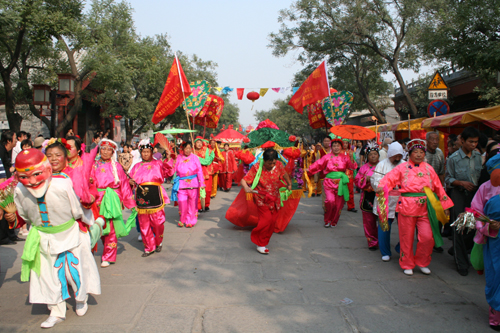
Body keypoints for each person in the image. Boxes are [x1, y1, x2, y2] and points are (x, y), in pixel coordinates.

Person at [11, 148, 100, 328]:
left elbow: (76, 210)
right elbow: (24, 214)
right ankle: (56, 310)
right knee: (47, 275)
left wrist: (89, 222)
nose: (32, 181)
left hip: (70, 234)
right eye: (25, 177)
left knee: (74, 270)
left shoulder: (62, 183)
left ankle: (81, 299)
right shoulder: (19, 190)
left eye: (37, 174)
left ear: (47, 169)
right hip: (43, 237)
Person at [377, 139, 453, 276]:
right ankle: (407, 263)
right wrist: (381, 187)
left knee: (427, 237)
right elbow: (388, 179)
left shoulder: (429, 169)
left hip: (426, 206)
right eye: (416, 152)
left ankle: (422, 261)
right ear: (410, 154)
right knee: (406, 237)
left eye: (421, 152)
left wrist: (445, 204)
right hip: (407, 206)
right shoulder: (401, 168)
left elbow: (438, 187)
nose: (419, 155)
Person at [90, 139, 136, 267]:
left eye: (108, 149)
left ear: (112, 152)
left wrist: (130, 203)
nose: (105, 152)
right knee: (97, 227)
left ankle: (108, 256)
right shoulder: (93, 165)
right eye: (103, 148)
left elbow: (124, 185)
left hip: (112, 199)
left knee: (111, 229)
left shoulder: (117, 167)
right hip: (97, 199)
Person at [445, 126, 482, 276]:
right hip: (458, 194)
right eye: (470, 142)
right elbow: (448, 179)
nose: (473, 145)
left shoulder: (478, 157)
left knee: (473, 226)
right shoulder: (453, 158)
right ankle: (461, 263)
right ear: (462, 141)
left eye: (475, 142)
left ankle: (458, 250)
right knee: (459, 228)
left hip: (474, 195)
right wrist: (460, 183)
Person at [240, 149, 292, 254]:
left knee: (272, 222)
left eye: (273, 163)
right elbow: (244, 180)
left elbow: (284, 174)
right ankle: (260, 243)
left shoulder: (278, 164)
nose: (272, 165)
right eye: (269, 163)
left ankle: (264, 240)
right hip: (262, 198)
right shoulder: (257, 167)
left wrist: (289, 183)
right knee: (266, 220)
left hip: (275, 198)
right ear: (264, 160)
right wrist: (246, 187)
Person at [470, 154, 500, 331]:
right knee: (495, 274)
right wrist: (489, 225)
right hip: (494, 241)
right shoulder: (485, 188)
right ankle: (495, 315)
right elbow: (475, 213)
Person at [129, 139, 174, 256]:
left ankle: (158, 242)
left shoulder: (158, 163)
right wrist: (130, 182)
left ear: (151, 152)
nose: (145, 154)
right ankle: (149, 247)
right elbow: (130, 182)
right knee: (144, 225)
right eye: (143, 152)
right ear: (141, 152)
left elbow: (169, 172)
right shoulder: (136, 166)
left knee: (158, 223)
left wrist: (168, 159)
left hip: (156, 195)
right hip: (141, 198)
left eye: (148, 151)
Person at [308, 137, 357, 228]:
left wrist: (351, 158)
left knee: (338, 205)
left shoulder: (345, 157)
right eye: (334, 146)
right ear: (331, 147)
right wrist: (309, 170)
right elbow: (318, 164)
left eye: (338, 146)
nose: (336, 148)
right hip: (329, 183)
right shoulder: (327, 157)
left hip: (341, 184)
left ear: (341, 147)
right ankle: (327, 220)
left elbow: (352, 167)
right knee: (330, 201)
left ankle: (334, 221)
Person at [371, 142, 405, 262]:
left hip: (402, 199)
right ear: (389, 154)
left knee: (406, 226)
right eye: (394, 156)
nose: (396, 159)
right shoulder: (381, 165)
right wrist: (380, 186)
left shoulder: (405, 165)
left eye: (399, 156)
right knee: (384, 225)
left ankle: (402, 248)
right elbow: (375, 180)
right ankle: (385, 251)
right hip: (386, 198)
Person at [171, 141, 205, 228]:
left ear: (191, 149)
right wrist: (171, 159)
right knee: (182, 202)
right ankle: (182, 219)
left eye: (189, 148)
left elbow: (199, 171)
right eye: (186, 148)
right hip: (181, 184)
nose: (188, 150)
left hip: (193, 184)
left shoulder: (195, 158)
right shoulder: (178, 157)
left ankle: (191, 220)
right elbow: (172, 169)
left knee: (192, 203)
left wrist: (202, 183)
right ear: (182, 149)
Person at [354, 143, 379, 250]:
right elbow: (357, 181)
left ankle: (382, 240)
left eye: (375, 154)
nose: (373, 156)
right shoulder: (364, 168)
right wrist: (365, 179)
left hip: (380, 196)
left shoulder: (383, 166)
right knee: (369, 221)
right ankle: (372, 241)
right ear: (367, 156)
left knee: (382, 220)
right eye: (371, 154)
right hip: (368, 197)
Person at [193, 137, 214, 212]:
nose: (199, 144)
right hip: (195, 174)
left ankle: (206, 205)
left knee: (207, 190)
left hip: (206, 173)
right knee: (197, 190)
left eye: (200, 142)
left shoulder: (207, 151)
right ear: (194, 143)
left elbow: (207, 161)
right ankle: (198, 206)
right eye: (197, 142)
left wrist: (197, 158)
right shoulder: (192, 151)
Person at [342, 139, 357, 213]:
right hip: (341, 175)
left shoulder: (351, 152)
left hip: (349, 174)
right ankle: (339, 205)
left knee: (351, 191)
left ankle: (351, 206)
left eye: (346, 143)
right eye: (343, 143)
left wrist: (351, 157)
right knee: (340, 191)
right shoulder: (340, 152)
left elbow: (354, 165)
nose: (345, 144)